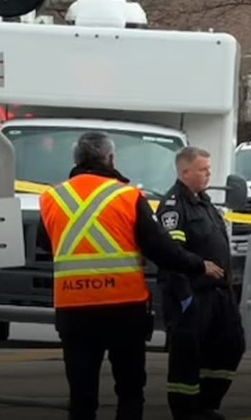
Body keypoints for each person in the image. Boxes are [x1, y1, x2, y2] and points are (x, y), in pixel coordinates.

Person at [37, 132, 224, 420]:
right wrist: (199, 265)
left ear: (76, 159)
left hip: (74, 308)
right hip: (123, 309)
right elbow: (162, 249)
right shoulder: (127, 196)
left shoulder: (52, 197)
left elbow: (45, 242)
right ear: (110, 159)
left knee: (82, 396)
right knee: (130, 391)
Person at [156, 146, 246, 420]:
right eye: (203, 170)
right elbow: (172, 255)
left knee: (231, 345)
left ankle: (207, 404)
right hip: (193, 294)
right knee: (187, 358)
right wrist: (186, 299)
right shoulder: (173, 207)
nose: (209, 174)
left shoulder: (205, 204)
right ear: (185, 172)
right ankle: (186, 412)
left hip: (219, 296)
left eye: (209, 169)